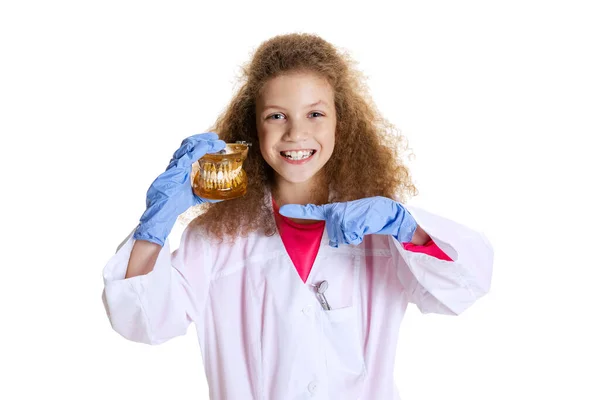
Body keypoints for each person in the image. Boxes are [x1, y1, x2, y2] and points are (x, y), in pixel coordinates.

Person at [102, 33, 494, 399]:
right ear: (253, 128)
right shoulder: (215, 240)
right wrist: (155, 225)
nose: (295, 134)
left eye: (315, 114)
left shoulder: (381, 233)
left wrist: (408, 229)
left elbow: (464, 287)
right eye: (276, 116)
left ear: (343, 123)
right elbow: (143, 321)